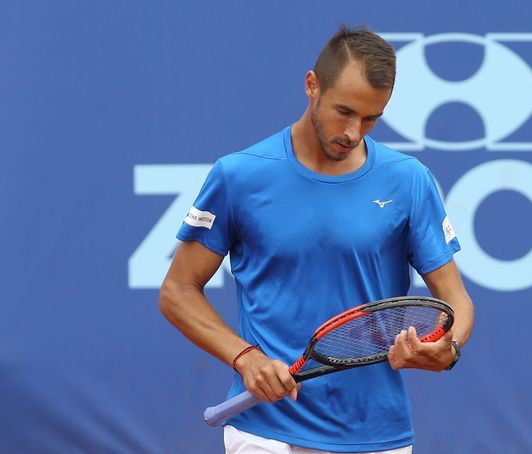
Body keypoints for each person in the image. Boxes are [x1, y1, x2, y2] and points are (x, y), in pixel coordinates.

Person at [159, 25, 474, 454]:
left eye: (371, 118)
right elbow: (177, 290)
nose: (353, 131)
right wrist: (245, 357)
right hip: (264, 432)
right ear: (312, 85)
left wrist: (448, 348)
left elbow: (455, 299)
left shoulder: (410, 181)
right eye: (343, 111)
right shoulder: (238, 176)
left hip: (376, 433)